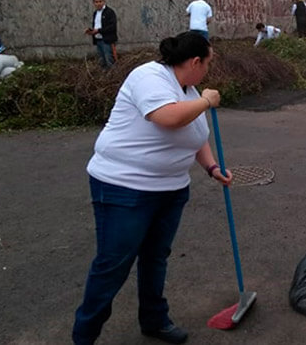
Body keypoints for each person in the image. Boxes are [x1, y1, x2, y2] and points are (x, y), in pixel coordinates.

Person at [72, 31, 233, 345]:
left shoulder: (188, 89)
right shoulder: (149, 77)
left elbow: (196, 136)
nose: (208, 71)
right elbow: (167, 118)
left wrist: (212, 168)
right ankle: (84, 337)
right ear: (196, 61)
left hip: (170, 190)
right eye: (208, 63)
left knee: (155, 257)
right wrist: (206, 101)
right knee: (113, 265)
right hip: (123, 188)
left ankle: (154, 320)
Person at [84, 0, 117, 69]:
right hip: (98, 40)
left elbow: (112, 27)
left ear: (104, 1)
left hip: (107, 41)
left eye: (100, 1)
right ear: (94, 3)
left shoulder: (109, 12)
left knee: (109, 60)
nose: (98, 3)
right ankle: (105, 77)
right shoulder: (95, 13)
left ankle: (112, 76)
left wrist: (98, 31)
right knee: (102, 61)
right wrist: (91, 31)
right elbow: (97, 25)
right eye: (96, 2)